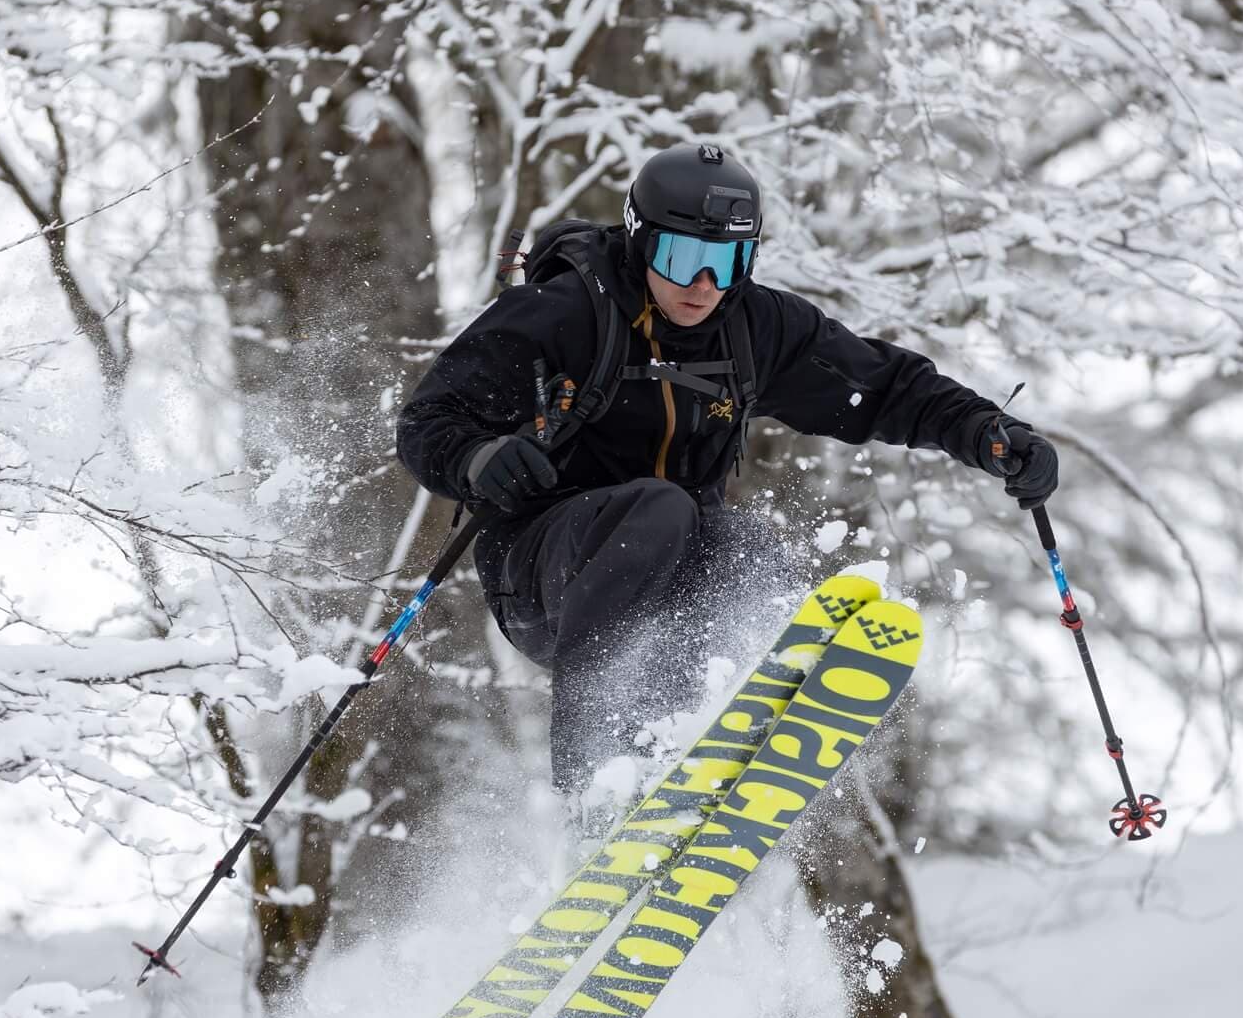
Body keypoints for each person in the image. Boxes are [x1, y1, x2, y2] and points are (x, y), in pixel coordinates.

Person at [396, 143, 1057, 818]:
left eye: (728, 262)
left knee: (744, 546)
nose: (704, 286)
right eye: (683, 259)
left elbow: (885, 388)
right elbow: (428, 420)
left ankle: (711, 735)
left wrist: (988, 433)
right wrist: (478, 458)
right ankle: (597, 777)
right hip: (542, 575)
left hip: (667, 563)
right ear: (639, 241)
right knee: (661, 510)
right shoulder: (560, 314)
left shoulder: (754, 328)